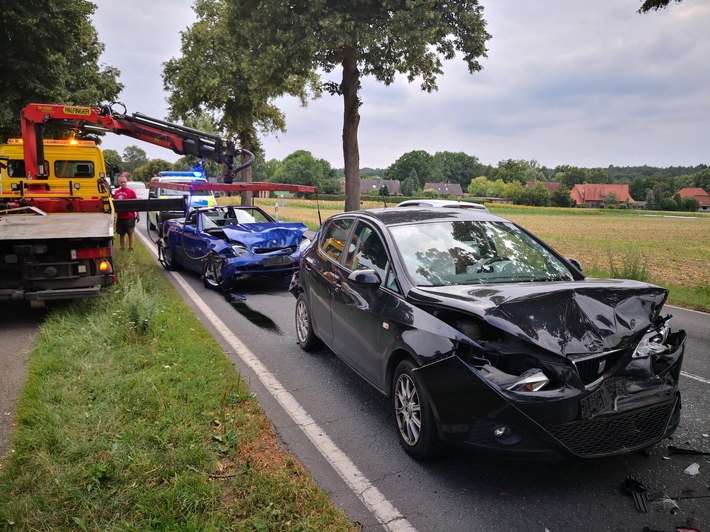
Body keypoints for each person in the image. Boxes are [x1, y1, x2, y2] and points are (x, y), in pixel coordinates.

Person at [113, 177, 138, 251]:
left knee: (130, 233)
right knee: (121, 234)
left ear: (126, 182)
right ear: (119, 183)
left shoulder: (131, 192)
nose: (123, 183)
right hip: (120, 217)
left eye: (124, 182)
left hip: (130, 216)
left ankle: (131, 248)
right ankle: (122, 248)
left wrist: (138, 214)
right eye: (121, 182)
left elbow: (136, 204)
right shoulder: (117, 192)